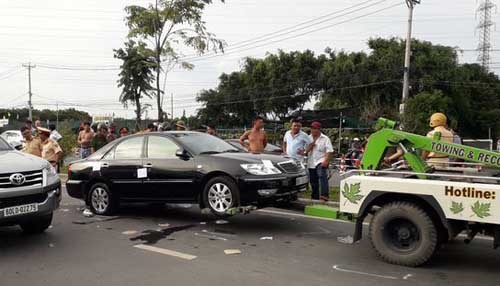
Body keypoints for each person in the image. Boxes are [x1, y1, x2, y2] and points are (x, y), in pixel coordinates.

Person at [305, 121, 333, 201]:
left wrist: (326, 161)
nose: (313, 130)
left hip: (321, 161)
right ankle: (315, 196)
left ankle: (324, 195)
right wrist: (310, 147)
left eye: (315, 129)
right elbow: (305, 151)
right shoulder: (308, 138)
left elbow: (329, 150)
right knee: (313, 180)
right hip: (311, 162)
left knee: (322, 176)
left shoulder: (325, 138)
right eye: (312, 128)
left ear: (319, 129)